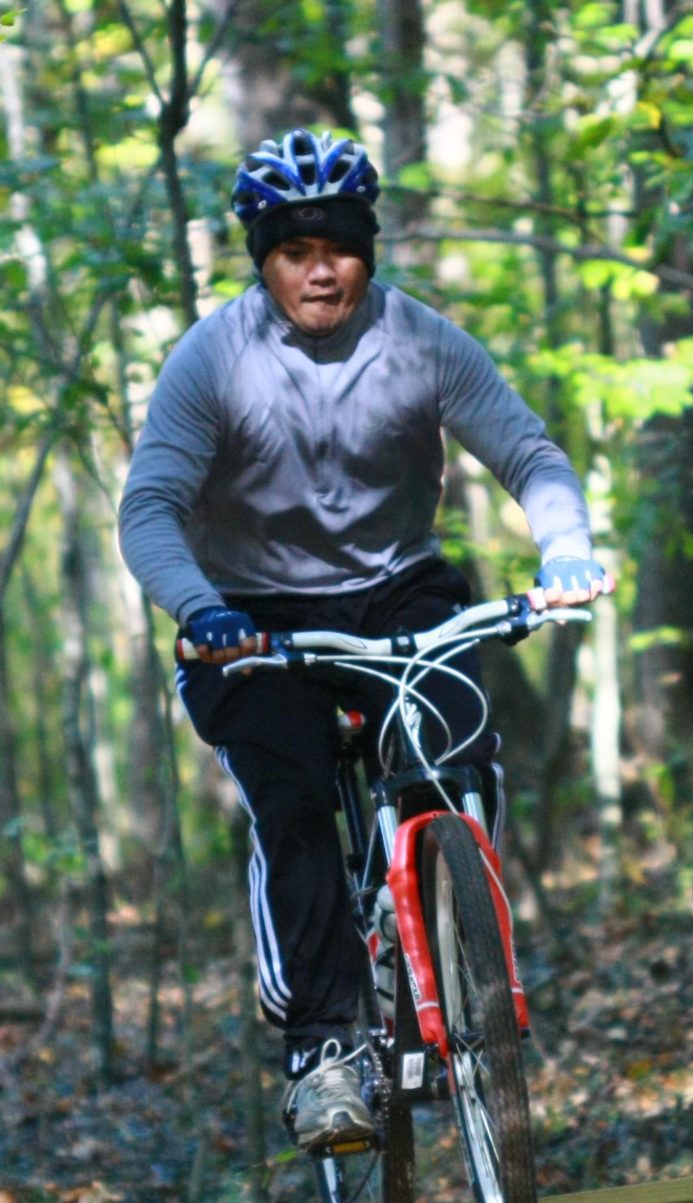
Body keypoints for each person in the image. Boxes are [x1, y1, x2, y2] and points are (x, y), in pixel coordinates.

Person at [117, 128, 611, 1149]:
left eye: (337, 246)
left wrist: (564, 551)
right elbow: (151, 507)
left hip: (396, 592)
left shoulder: (421, 340)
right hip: (250, 614)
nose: (319, 269)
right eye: (294, 251)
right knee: (292, 799)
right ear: (263, 259)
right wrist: (200, 608)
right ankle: (323, 1049)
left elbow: (529, 454)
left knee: (455, 752)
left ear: (366, 251)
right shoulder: (213, 359)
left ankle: (454, 944)